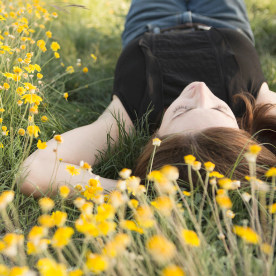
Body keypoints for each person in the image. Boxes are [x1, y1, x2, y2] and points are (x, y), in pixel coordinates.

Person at [19, 0, 276, 197]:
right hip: (224, 17)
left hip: (152, 16)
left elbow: (35, 172)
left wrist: (134, 193)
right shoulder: (258, 109)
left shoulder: (131, 115)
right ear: (242, 131)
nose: (199, 90)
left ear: (156, 136)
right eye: (220, 107)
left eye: (181, 110)